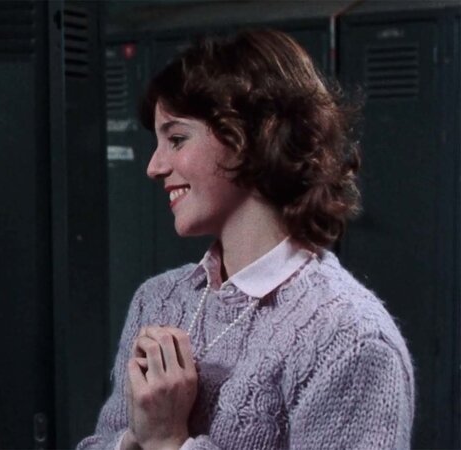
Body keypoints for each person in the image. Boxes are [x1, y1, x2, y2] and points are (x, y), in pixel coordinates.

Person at [79, 30, 413, 450]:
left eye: (176, 139)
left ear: (249, 138)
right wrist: (131, 439)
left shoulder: (350, 338)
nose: (154, 166)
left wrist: (168, 441)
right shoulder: (158, 301)